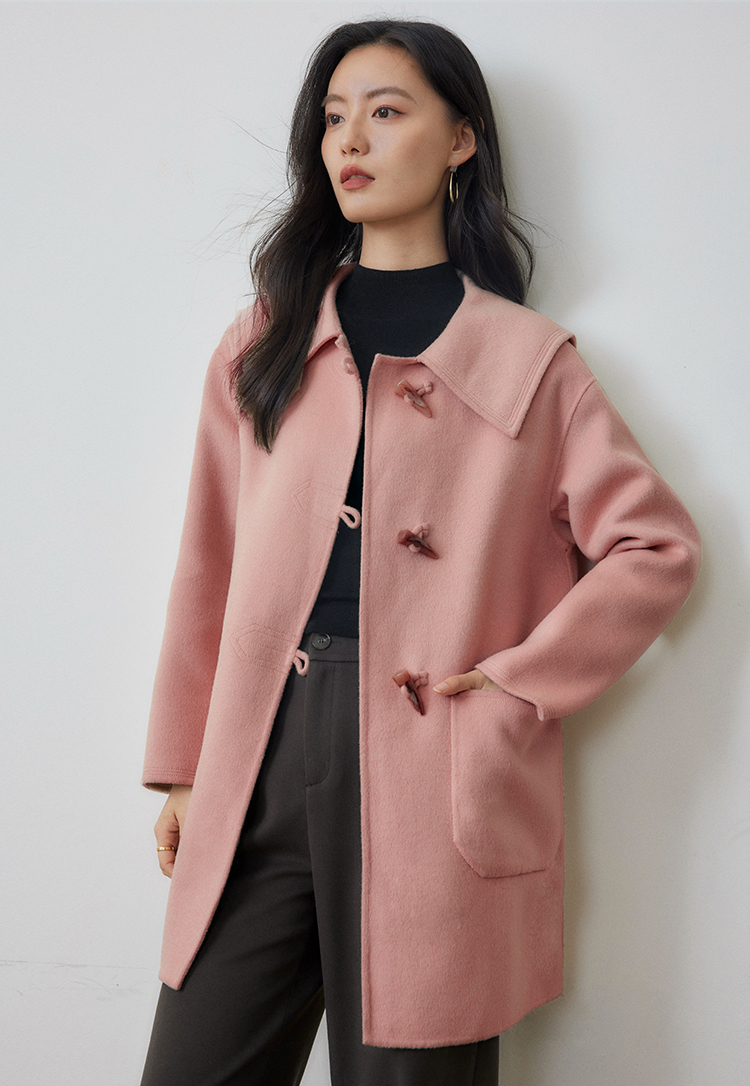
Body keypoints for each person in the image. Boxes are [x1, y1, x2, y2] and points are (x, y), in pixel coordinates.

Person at [139, 18, 700, 1086]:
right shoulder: (262, 342)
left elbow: (655, 547)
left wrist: (518, 682)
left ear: (461, 139)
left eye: (386, 112)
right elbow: (207, 558)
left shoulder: (531, 363)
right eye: (333, 118)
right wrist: (182, 770)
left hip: (435, 763)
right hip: (259, 752)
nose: (349, 140)